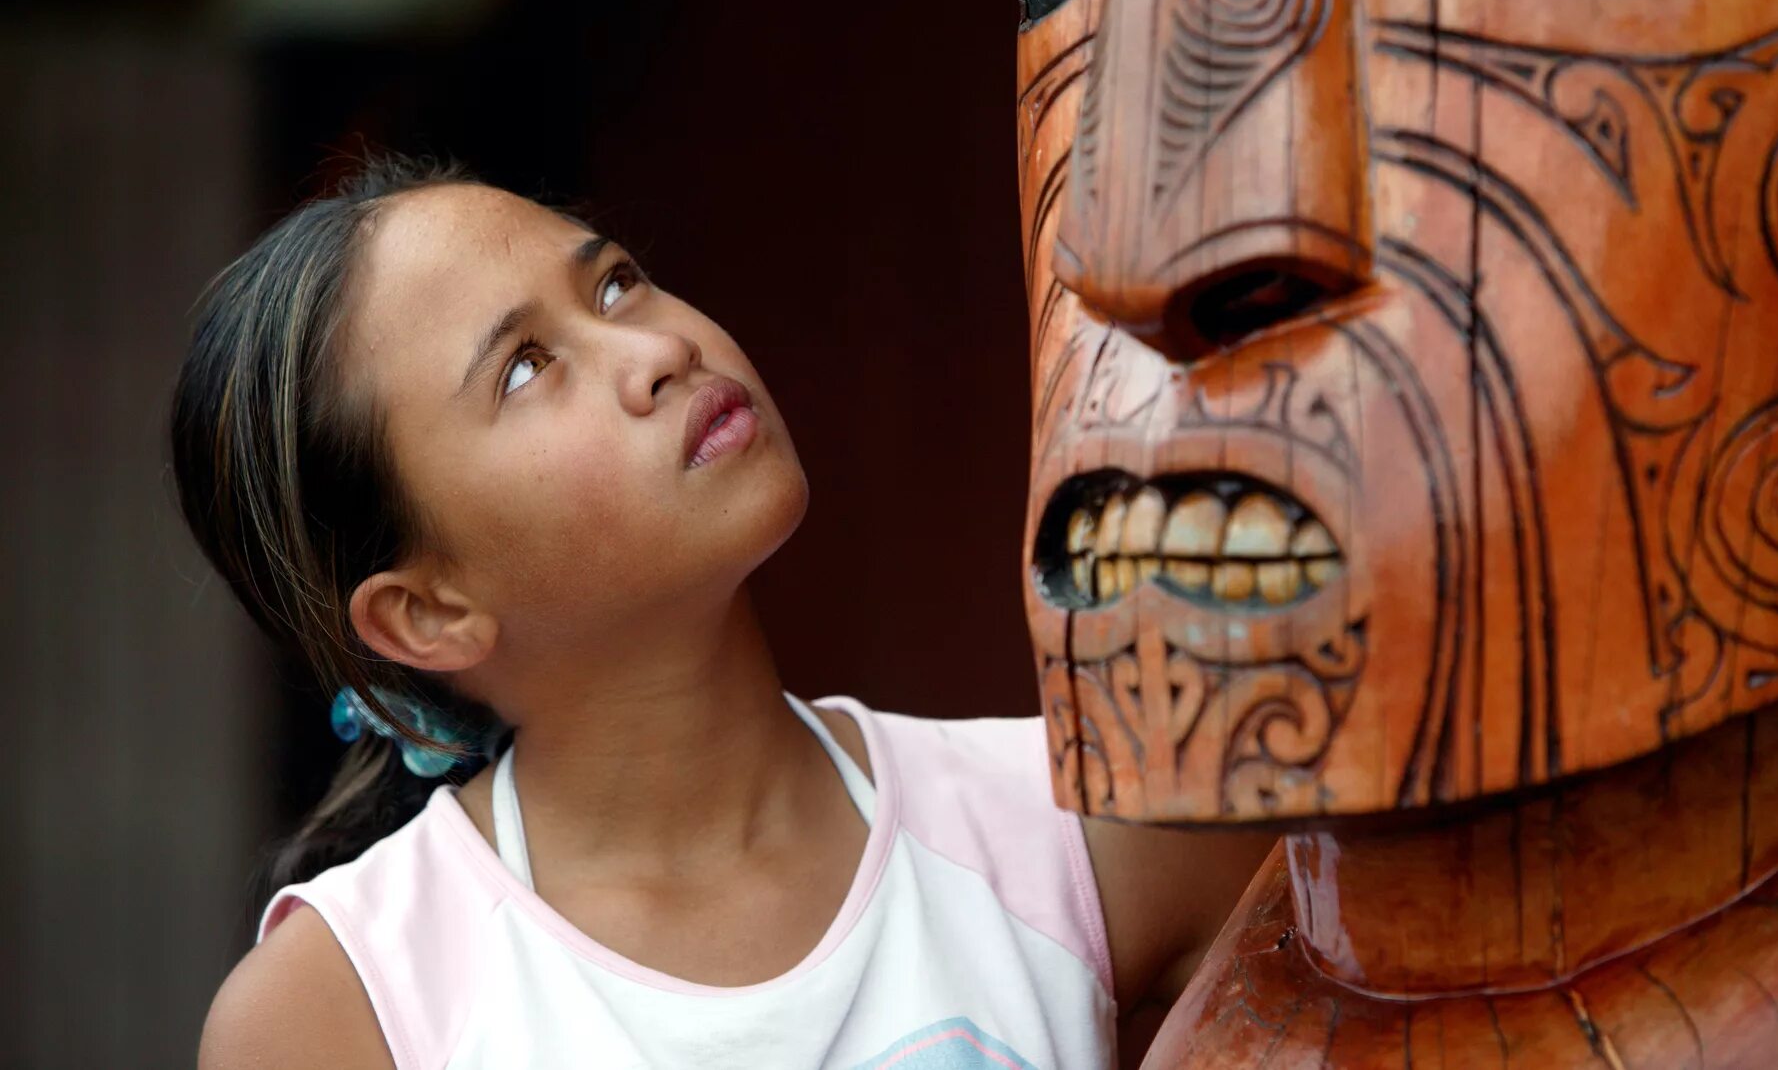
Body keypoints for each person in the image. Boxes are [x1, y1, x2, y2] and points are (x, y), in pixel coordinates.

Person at [180, 156, 1269, 1070]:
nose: (657, 351)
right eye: (523, 368)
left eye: (613, 285)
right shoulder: (349, 1007)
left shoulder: (1079, 834)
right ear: (428, 612)